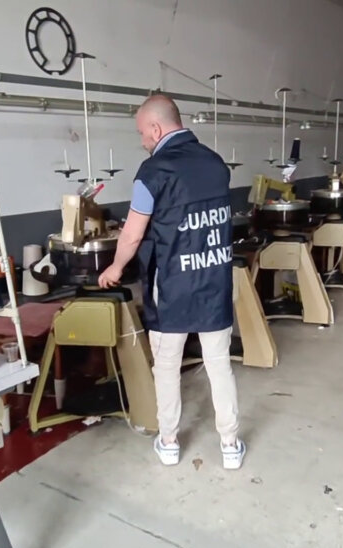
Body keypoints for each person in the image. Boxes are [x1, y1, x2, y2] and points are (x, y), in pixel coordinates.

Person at [98, 94, 245, 470]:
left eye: (141, 133)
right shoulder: (215, 164)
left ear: (155, 128)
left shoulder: (153, 171)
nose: (142, 141)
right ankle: (230, 445)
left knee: (166, 366)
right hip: (214, 280)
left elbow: (133, 234)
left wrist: (115, 268)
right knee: (219, 364)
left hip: (172, 287)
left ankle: (168, 442)